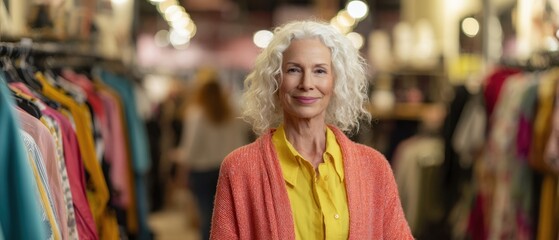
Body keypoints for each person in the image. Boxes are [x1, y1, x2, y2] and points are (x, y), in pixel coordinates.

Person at [210, 20, 413, 239]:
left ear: (335, 82)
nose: (307, 83)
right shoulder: (240, 168)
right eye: (294, 69)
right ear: (276, 80)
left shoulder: (374, 167)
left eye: (319, 71)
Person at [173, 70, 249, 240]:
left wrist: (181, 170)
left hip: (202, 172)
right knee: (231, 220)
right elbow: (243, 143)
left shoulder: (196, 113)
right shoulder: (233, 113)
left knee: (207, 218)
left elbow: (190, 149)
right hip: (230, 170)